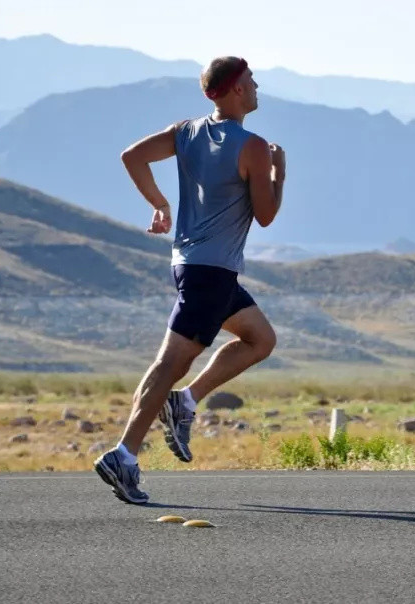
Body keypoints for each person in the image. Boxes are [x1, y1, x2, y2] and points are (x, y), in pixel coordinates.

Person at [94, 56, 285, 504]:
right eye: (252, 82)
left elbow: (132, 156)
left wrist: (160, 204)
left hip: (192, 265)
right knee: (169, 364)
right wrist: (279, 173)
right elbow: (266, 215)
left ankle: (186, 401)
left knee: (260, 339)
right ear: (236, 88)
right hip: (211, 273)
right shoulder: (253, 147)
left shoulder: (186, 131)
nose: (257, 88)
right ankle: (123, 455)